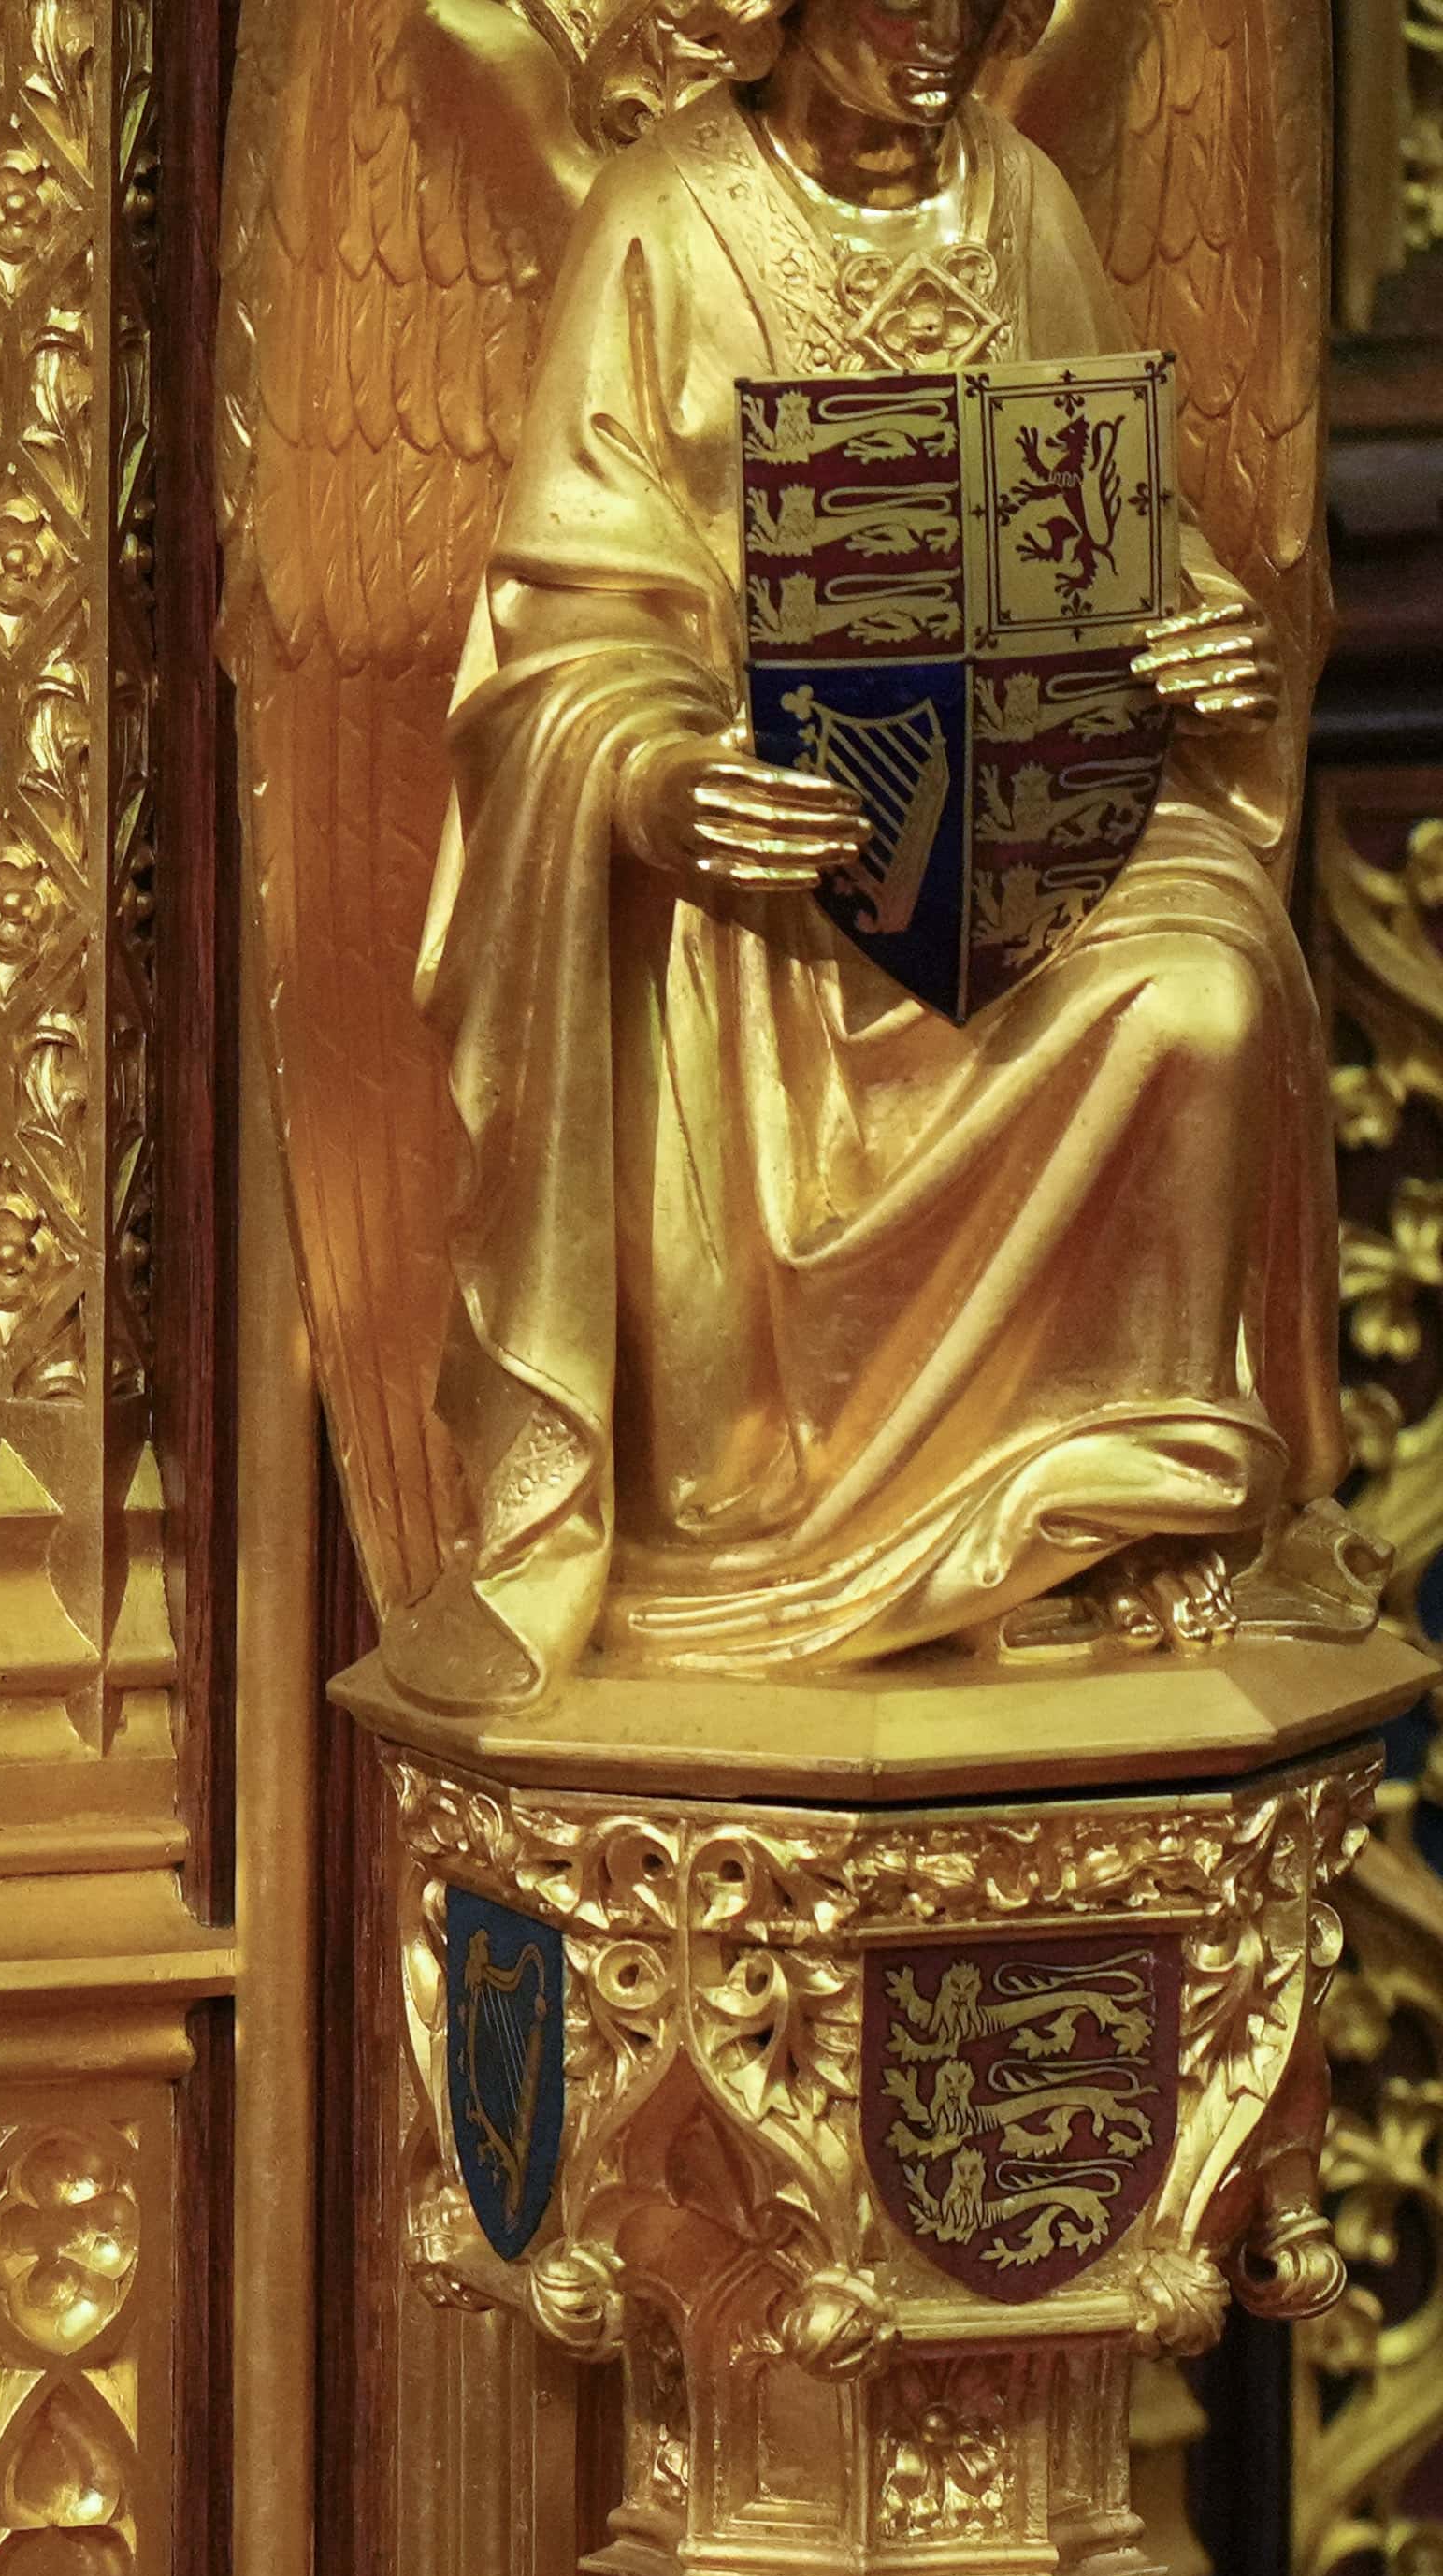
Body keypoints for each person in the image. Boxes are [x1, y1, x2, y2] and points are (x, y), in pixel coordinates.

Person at [397, 0, 1355, 1703]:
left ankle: (1134, 1504)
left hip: (1031, 838)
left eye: (973, 4)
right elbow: (564, 623)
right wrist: (658, 776)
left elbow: (1113, 530)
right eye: (899, 0)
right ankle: (773, 1519)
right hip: (769, 892)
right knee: (718, 952)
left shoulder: (1022, 201)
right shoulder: (666, 220)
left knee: (1209, 986)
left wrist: (1207, 640)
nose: (942, 41)